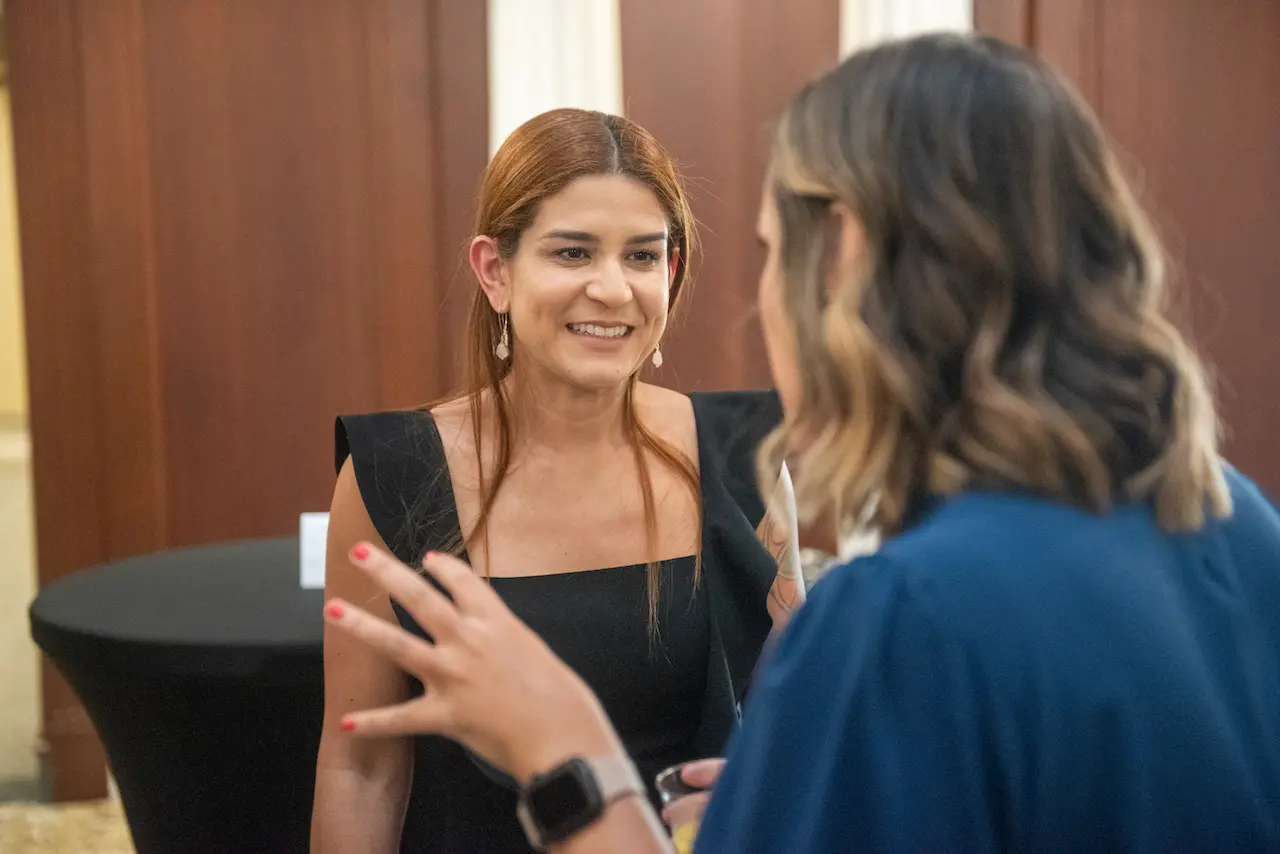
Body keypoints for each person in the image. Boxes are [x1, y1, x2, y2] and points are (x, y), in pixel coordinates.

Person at [320, 35, 1280, 853]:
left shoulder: (899, 614)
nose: (616, 289)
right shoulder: (1240, 522)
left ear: (851, 262)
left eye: (775, 250)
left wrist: (571, 760)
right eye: (573, 252)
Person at [310, 108, 805, 853]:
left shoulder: (746, 456)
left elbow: (791, 732)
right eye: (573, 253)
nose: (613, 290)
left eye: (643, 257)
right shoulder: (394, 472)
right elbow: (362, 767)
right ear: (495, 271)